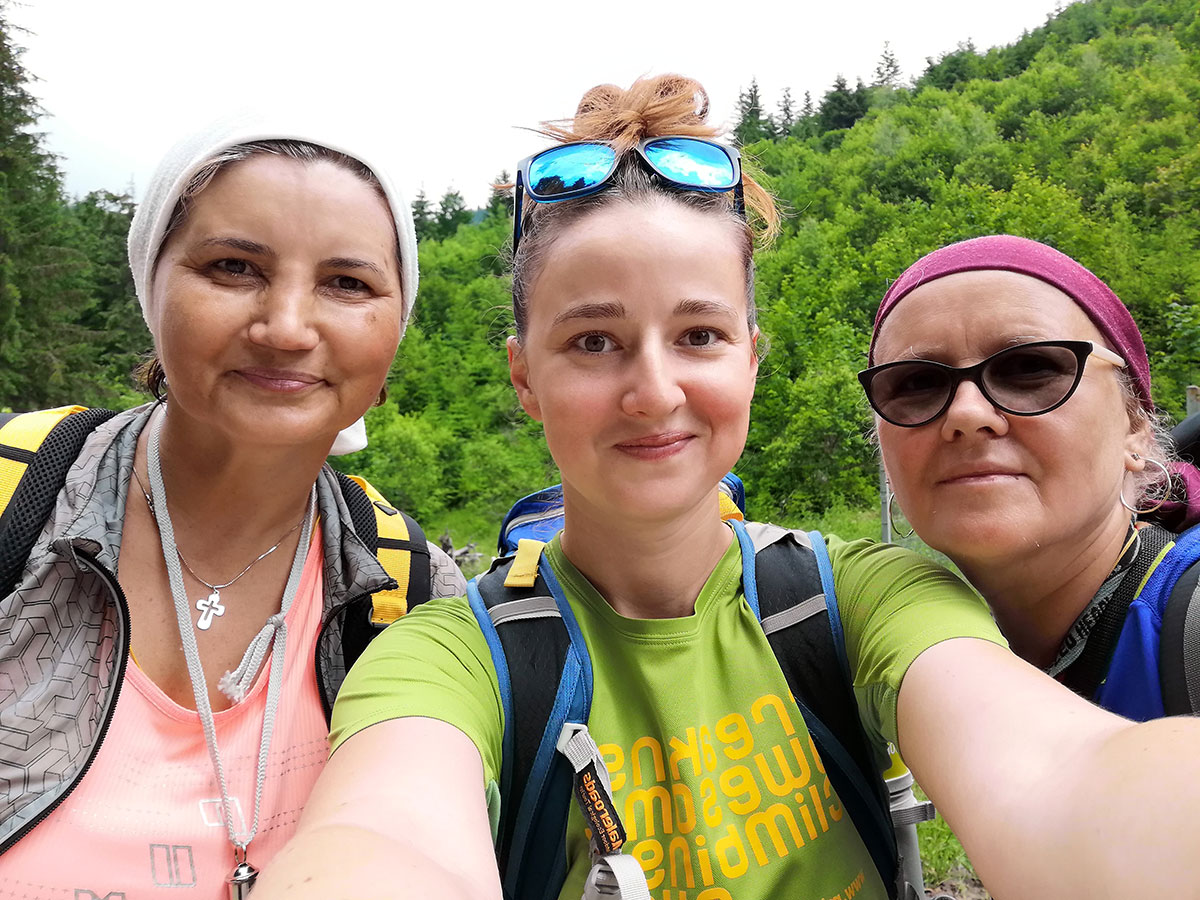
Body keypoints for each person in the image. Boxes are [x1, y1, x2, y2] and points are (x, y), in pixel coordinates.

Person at [255, 77, 1200, 900]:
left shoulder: (865, 599)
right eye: (594, 341)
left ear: (753, 359)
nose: (654, 389)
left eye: (699, 335)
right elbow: (380, 839)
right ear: (523, 378)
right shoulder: (446, 663)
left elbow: (1063, 779)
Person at [0, 112, 466, 895]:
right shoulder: (22, 502)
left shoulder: (410, 596)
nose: (286, 327)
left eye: (347, 283)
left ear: (394, 334)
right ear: (155, 290)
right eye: (233, 267)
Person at [862, 234, 1200, 719]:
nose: (967, 413)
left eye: (1029, 368)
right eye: (916, 383)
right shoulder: (916, 654)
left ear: (1135, 428)